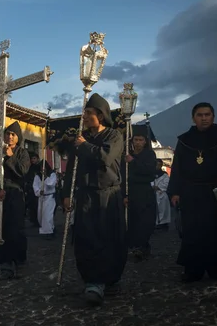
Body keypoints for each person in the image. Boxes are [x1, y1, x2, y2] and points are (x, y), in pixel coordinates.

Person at [63, 93, 126, 306]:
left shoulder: (114, 136)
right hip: (86, 195)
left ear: (101, 115)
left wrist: (83, 146)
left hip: (108, 194)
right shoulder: (81, 139)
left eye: (89, 113)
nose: (86, 116)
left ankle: (111, 279)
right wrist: (66, 194)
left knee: (110, 238)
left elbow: (105, 158)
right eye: (85, 113)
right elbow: (71, 169)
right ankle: (93, 281)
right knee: (87, 238)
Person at [167, 102, 217, 282]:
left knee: (216, 231)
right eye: (200, 115)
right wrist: (175, 192)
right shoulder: (185, 140)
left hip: (215, 191)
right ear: (194, 118)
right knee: (192, 231)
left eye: (207, 115)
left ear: (213, 117)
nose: (204, 118)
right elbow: (177, 168)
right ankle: (193, 269)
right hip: (190, 191)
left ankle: (216, 269)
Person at [0, 121, 31, 280]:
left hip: (15, 194)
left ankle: (20, 262)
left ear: (18, 138)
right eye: (7, 133)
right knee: (0, 229)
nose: (10, 137)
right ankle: (5, 265)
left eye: (13, 134)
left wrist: (10, 157)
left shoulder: (22, 153)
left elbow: (22, 172)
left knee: (16, 230)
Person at [123, 125, 157, 261]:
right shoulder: (127, 155)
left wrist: (134, 162)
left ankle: (142, 247)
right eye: (135, 140)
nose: (137, 143)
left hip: (144, 192)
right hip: (131, 192)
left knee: (144, 222)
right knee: (133, 222)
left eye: (140, 140)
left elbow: (149, 172)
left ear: (145, 141)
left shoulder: (149, 155)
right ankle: (136, 246)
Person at [33, 161, 57, 239]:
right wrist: (39, 192)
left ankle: (49, 232)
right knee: (41, 215)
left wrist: (46, 176)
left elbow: (51, 184)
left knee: (48, 215)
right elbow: (35, 185)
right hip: (41, 197)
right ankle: (51, 228)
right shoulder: (37, 176)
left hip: (50, 197)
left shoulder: (52, 174)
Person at [153, 159, 171, 231]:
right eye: (156, 164)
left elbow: (167, 184)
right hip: (154, 194)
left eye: (159, 165)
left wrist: (159, 187)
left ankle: (163, 223)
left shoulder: (164, 175)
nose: (157, 166)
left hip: (161, 194)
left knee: (163, 209)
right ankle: (156, 222)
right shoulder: (151, 174)